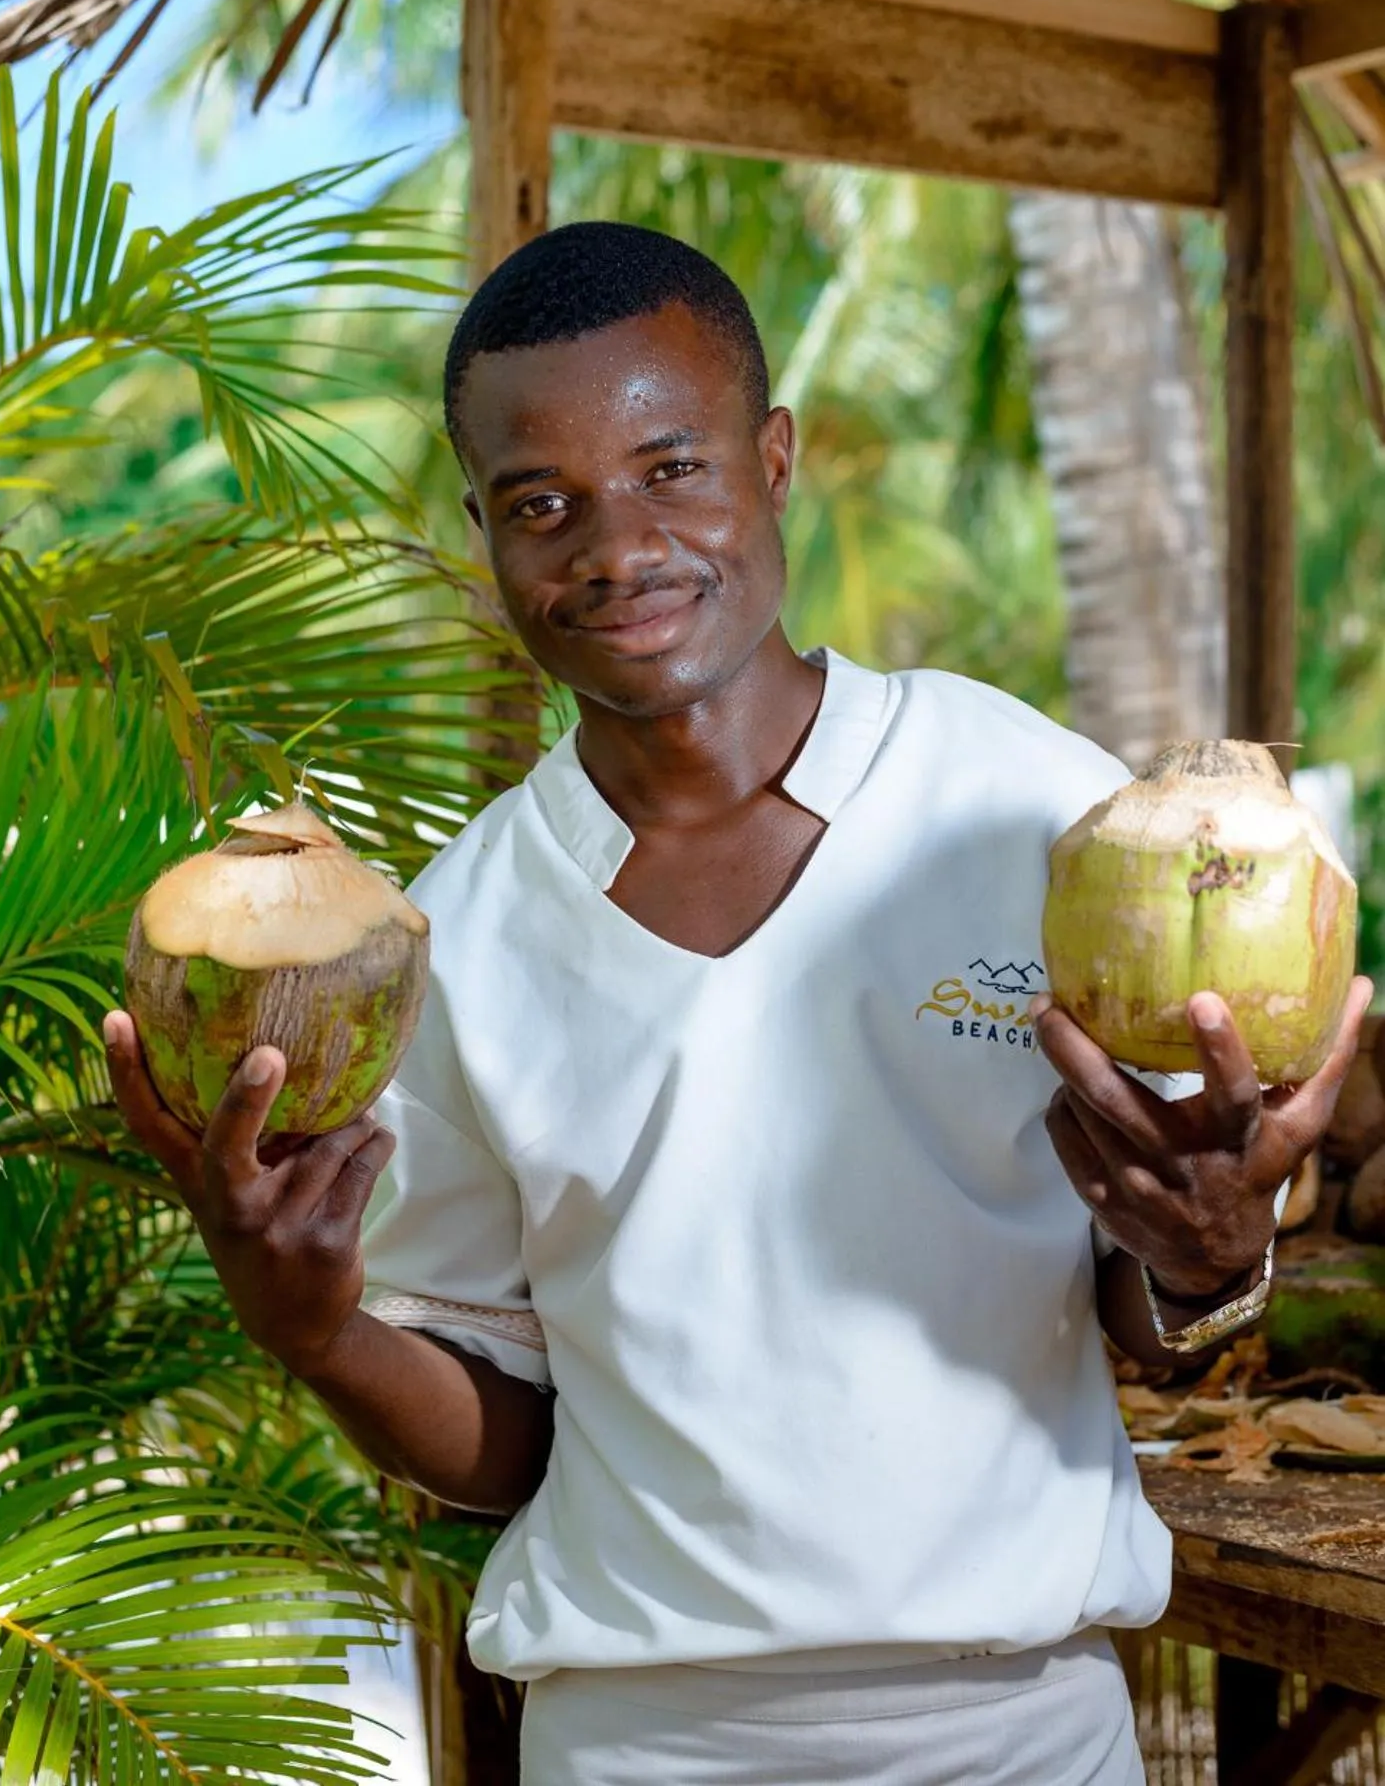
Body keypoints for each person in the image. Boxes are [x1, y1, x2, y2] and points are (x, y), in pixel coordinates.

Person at [107, 222, 1372, 1786]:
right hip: (638, 1744)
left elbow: (1144, 1291)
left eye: (672, 468)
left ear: (772, 460)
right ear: (485, 531)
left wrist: (1213, 1255)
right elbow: (508, 1442)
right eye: (541, 503)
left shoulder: (1034, 813)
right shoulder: (463, 934)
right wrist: (309, 1331)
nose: (616, 547)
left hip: (1020, 1728)